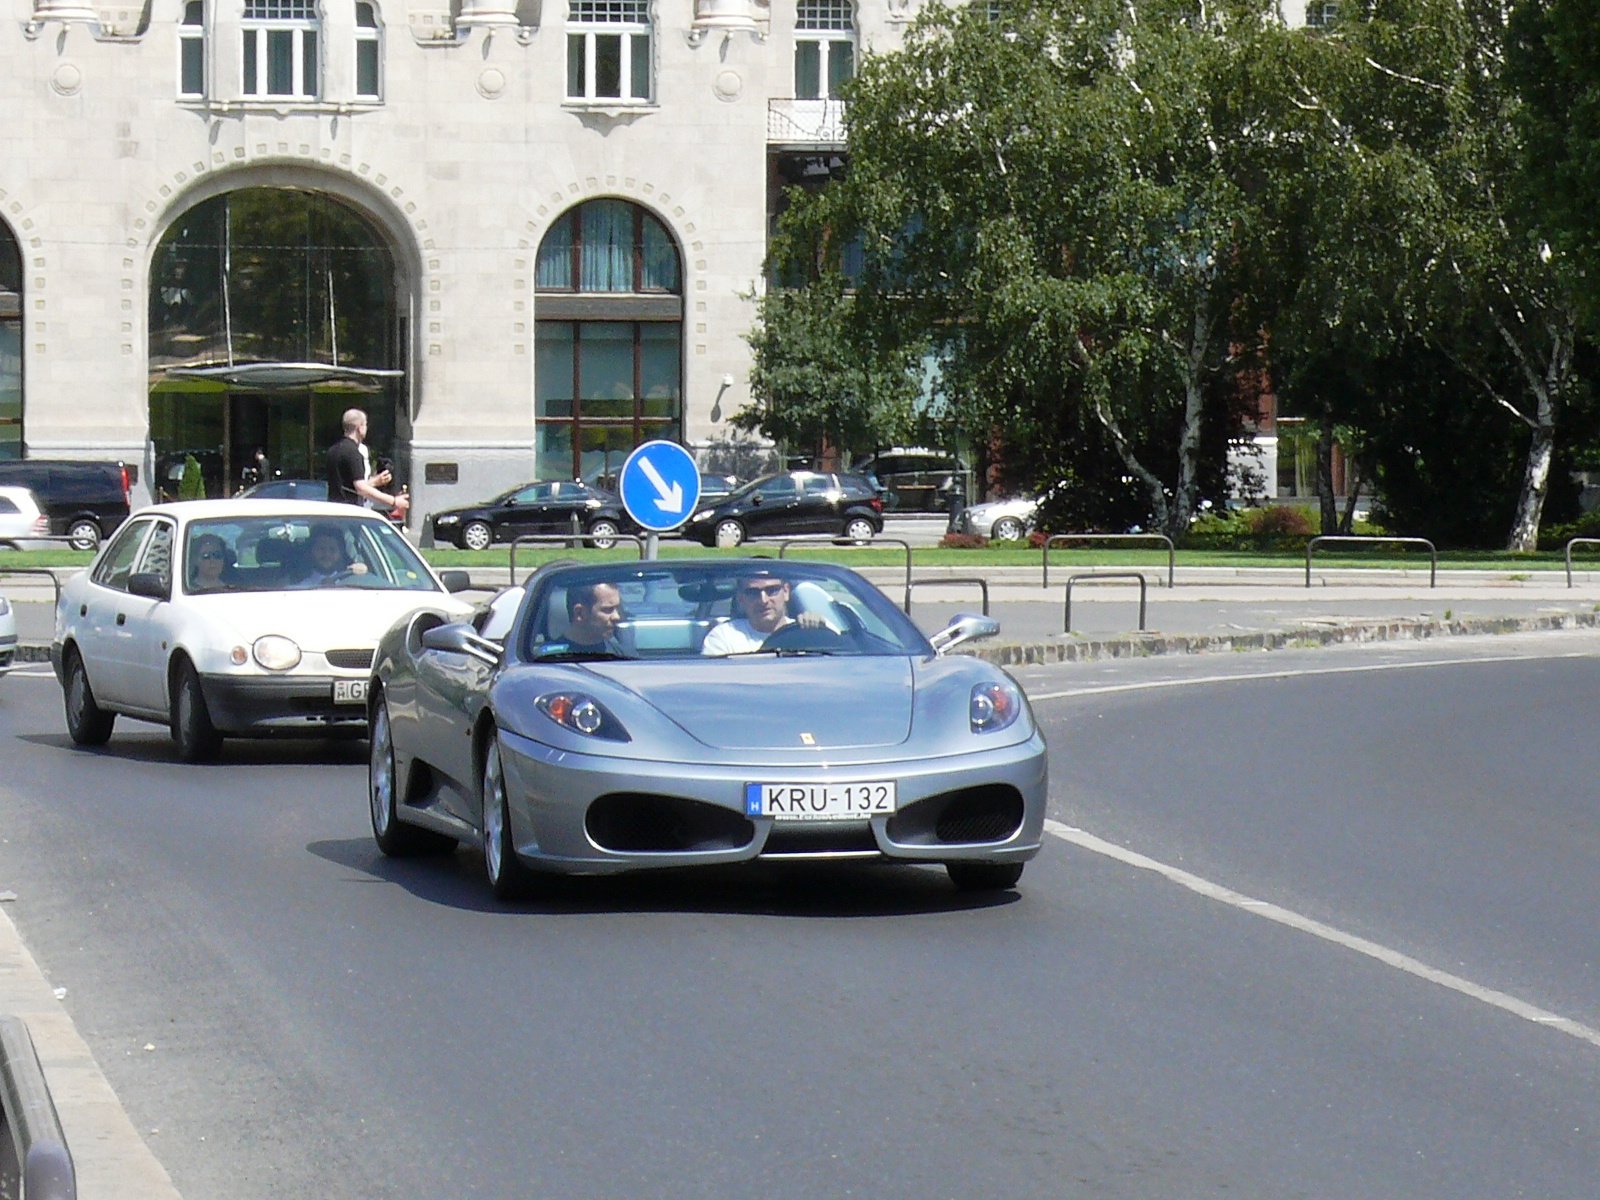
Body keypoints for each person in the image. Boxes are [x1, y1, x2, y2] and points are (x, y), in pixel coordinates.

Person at [700, 569, 825, 656]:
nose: (763, 600)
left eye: (772, 590)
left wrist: (819, 632)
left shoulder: (807, 632)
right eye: (753, 593)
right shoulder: (724, 637)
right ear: (741, 598)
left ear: (786, 591)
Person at [326, 408, 409, 518]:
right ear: (359, 428)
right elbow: (361, 488)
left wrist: (375, 481)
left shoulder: (333, 451)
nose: (367, 428)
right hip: (350, 513)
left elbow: (347, 486)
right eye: (365, 424)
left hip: (333, 510)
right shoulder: (354, 453)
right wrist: (393, 501)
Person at [558, 582, 624, 653]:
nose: (617, 617)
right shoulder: (549, 658)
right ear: (579, 613)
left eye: (617, 608)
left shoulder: (626, 658)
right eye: (607, 609)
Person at [295, 525, 366, 587]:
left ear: (340, 552)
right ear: (312, 551)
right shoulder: (298, 585)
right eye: (321, 549)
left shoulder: (353, 580)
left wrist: (363, 572)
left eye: (332, 549)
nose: (327, 554)